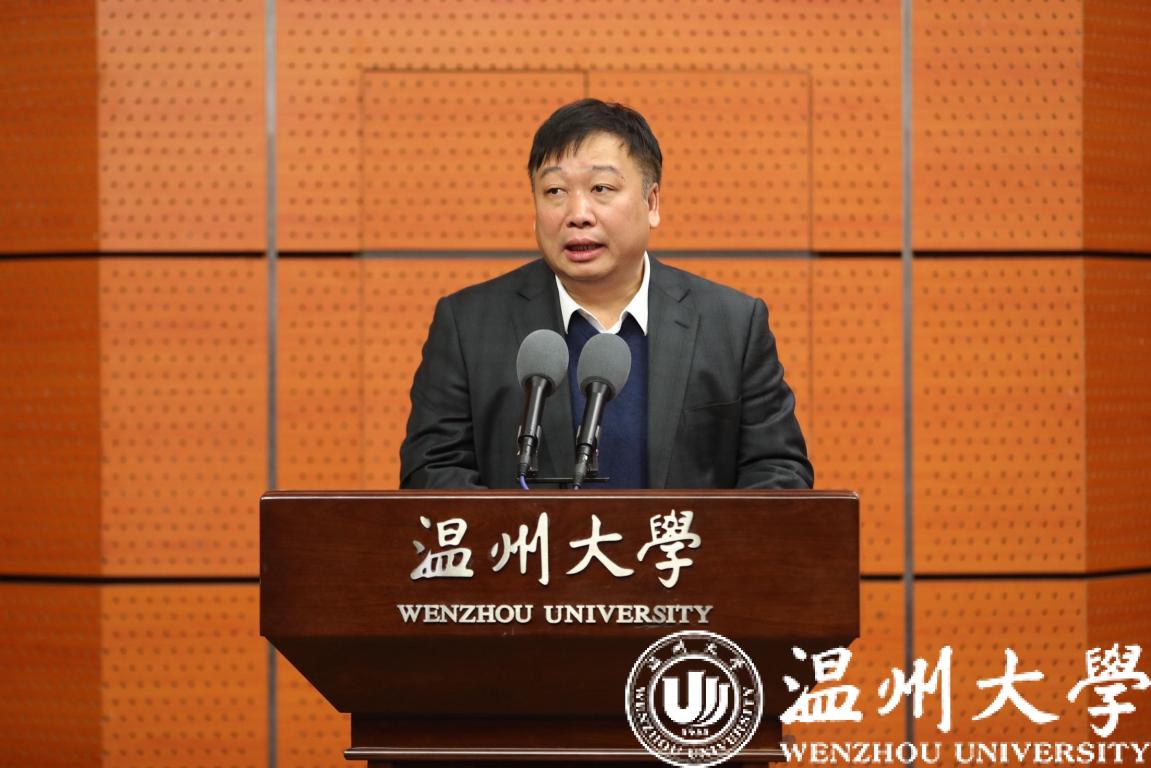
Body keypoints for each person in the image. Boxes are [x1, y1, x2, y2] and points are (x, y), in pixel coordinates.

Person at [400, 98, 812, 490]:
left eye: (601, 188)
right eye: (555, 191)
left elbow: (778, 470)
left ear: (652, 202)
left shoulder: (732, 326)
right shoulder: (468, 326)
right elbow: (431, 471)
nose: (578, 214)